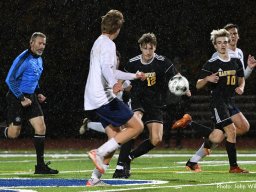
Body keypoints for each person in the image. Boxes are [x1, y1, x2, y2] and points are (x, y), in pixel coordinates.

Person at [112, 32, 190, 178]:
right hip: (138, 100)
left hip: (155, 103)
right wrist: (118, 86)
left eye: (151, 48)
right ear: (140, 48)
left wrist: (185, 87)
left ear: (155, 48)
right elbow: (123, 76)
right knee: (133, 128)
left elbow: (176, 75)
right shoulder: (133, 62)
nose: (148, 51)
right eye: (145, 48)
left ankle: (129, 158)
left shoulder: (163, 61)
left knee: (156, 139)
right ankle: (120, 166)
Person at [84, 10, 145, 186]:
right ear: (117, 28)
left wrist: (134, 75)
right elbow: (107, 69)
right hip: (103, 97)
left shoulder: (99, 42)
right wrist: (114, 84)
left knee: (116, 139)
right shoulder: (109, 44)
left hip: (94, 97)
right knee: (136, 126)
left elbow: (111, 70)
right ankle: (98, 153)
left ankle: (94, 179)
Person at [186, 24, 256, 172]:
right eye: (219, 43)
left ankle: (189, 124)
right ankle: (234, 167)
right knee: (231, 131)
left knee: (218, 136)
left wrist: (242, 87)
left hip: (229, 101)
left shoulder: (236, 60)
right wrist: (207, 80)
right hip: (217, 101)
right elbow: (198, 85)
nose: (223, 45)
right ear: (215, 45)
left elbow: (241, 78)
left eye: (225, 41)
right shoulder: (212, 63)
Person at [0, 32, 58, 174]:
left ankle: (40, 166)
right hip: (16, 97)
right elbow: (10, 80)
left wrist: (38, 93)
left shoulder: (39, 59)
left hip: (30, 97)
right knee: (14, 134)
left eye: (44, 44)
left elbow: (33, 78)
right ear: (31, 43)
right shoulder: (23, 58)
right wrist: (21, 98)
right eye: (39, 43)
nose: (42, 46)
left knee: (41, 128)